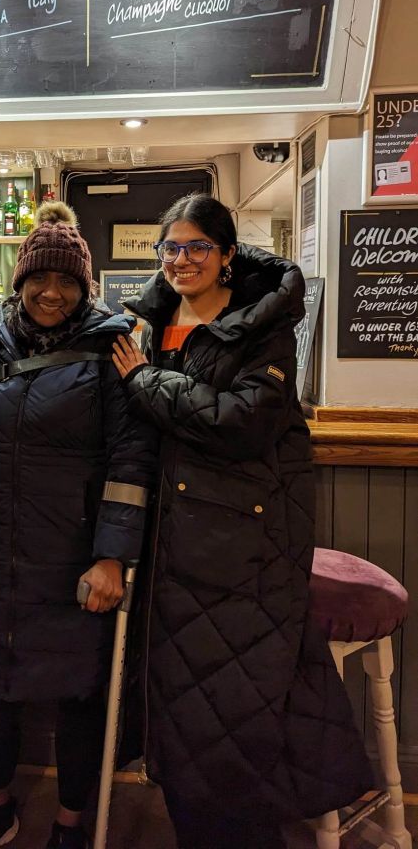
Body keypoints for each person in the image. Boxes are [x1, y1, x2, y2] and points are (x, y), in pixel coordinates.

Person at [111, 193, 372, 849]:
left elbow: (241, 422)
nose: (181, 259)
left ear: (227, 255)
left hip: (238, 549)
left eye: (198, 246)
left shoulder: (262, 324)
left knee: (231, 719)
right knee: (186, 716)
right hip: (176, 543)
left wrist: (145, 382)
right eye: (170, 246)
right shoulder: (158, 319)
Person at [0, 203, 157, 849]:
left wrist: (113, 554)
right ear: (19, 280)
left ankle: (69, 822)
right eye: (40, 280)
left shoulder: (110, 345)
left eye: (67, 282)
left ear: (86, 288)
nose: (51, 293)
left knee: (78, 695)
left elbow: (129, 456)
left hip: (72, 555)